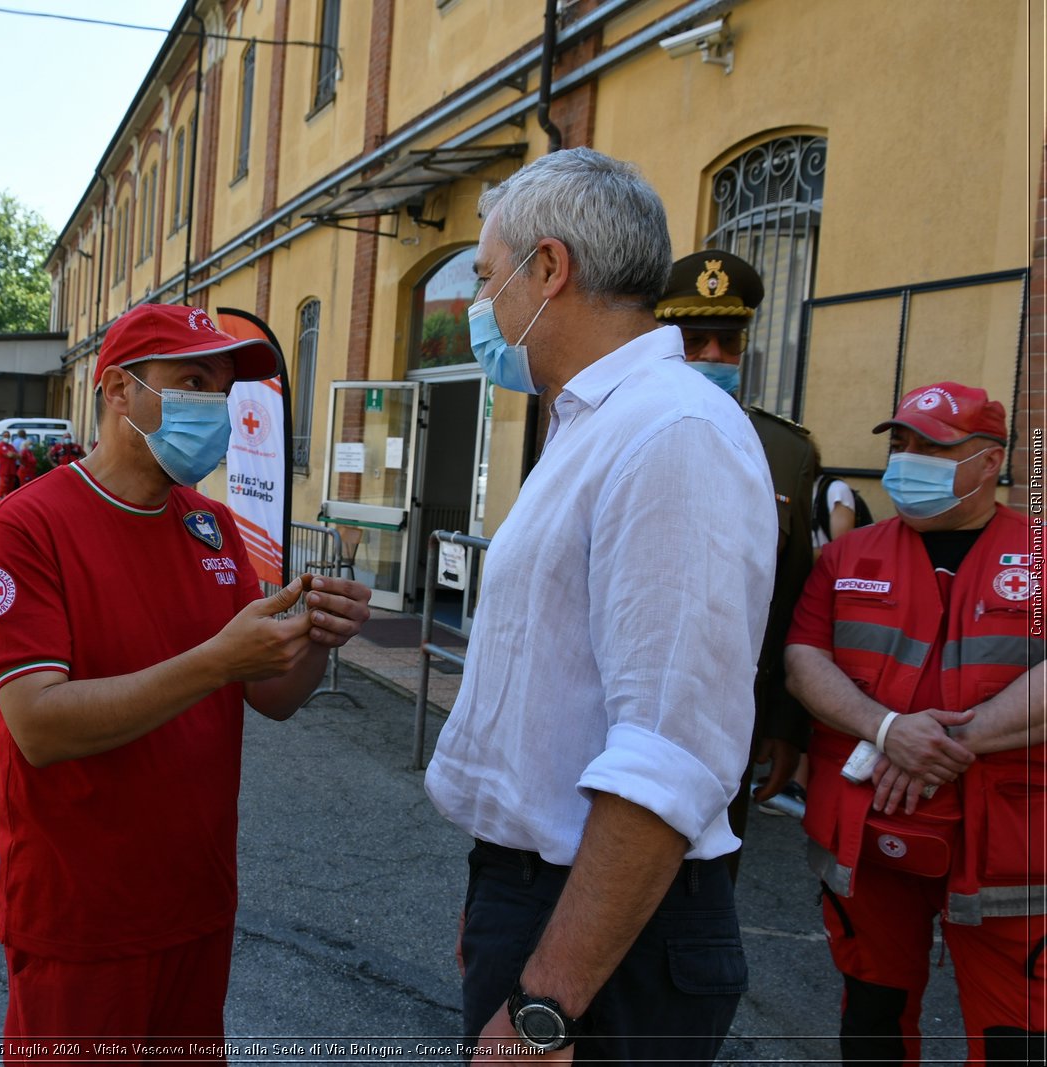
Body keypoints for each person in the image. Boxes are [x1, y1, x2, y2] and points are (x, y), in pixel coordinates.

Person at [422, 148, 777, 1064]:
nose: (481, 307)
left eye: (488, 276)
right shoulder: (593, 421)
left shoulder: (671, 432)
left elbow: (667, 756)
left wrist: (546, 1003)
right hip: (553, 899)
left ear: (551, 269)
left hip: (609, 935)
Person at [0, 301, 372, 1058]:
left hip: (196, 907)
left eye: (223, 391)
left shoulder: (211, 525)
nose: (216, 408)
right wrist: (217, 658)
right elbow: (39, 725)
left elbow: (271, 695)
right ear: (118, 390)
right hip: (84, 921)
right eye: (192, 380)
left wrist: (318, 634)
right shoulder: (29, 526)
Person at [784, 381, 1043, 1065]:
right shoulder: (849, 556)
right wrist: (889, 728)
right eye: (900, 444)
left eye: (933, 446)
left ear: (990, 462)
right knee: (872, 1017)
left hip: (1012, 852)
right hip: (868, 842)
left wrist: (942, 740)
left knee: (1019, 1038)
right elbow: (804, 658)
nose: (908, 459)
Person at [654, 251, 817, 830]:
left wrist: (783, 724)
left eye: (729, 342)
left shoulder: (786, 452)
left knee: (709, 880)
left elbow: (793, 599)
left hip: (729, 714)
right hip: (623, 703)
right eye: (694, 340)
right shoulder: (607, 425)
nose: (713, 357)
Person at [0, 433, 19, 499]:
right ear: (2, 437)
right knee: (3, 487)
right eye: (5, 436)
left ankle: (7, 502)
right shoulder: (1, 446)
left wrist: (13, 454)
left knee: (10, 488)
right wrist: (13, 454)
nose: (7, 438)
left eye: (8, 436)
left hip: (11, 470)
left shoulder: (10, 446)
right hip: (4, 470)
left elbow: (19, 456)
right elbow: (9, 455)